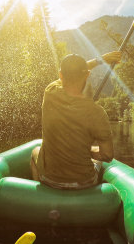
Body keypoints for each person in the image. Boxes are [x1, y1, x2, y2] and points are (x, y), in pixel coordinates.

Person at [31, 51, 122, 189]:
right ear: (87, 74)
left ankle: (42, 196)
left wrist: (99, 60)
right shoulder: (97, 112)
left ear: (61, 75)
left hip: (49, 178)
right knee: (98, 162)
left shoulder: (50, 92)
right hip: (83, 182)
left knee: (35, 151)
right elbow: (107, 155)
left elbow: (71, 72)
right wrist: (87, 151)